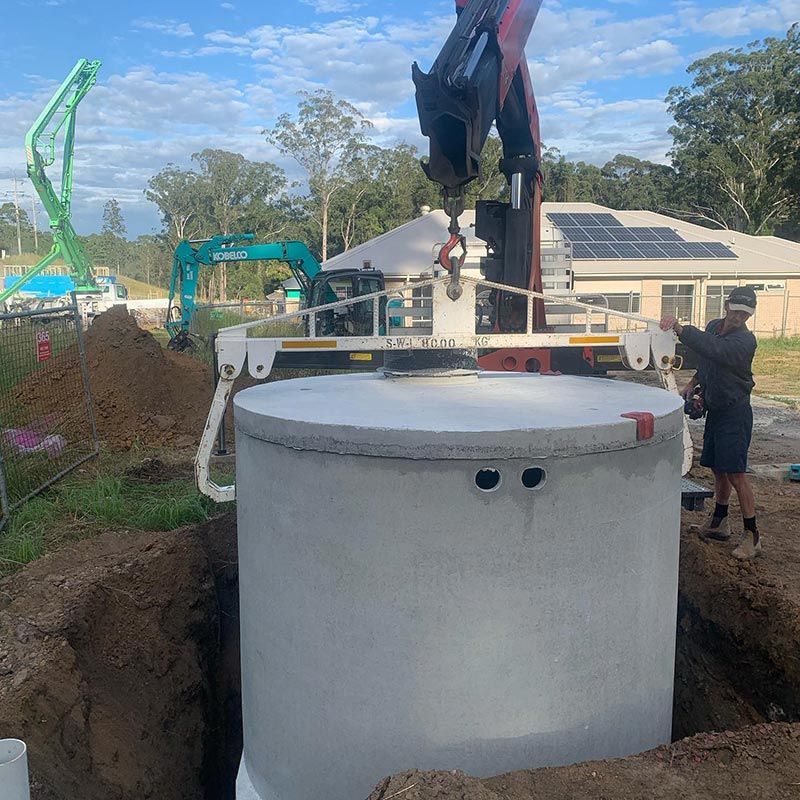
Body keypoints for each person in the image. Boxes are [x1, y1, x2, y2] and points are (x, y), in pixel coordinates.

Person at [660, 286, 760, 560]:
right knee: (718, 468)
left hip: (735, 413)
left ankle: (753, 535)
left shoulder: (745, 341)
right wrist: (693, 385)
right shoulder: (715, 326)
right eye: (737, 310)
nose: (740, 317)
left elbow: (716, 350)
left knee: (736, 474)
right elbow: (707, 361)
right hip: (717, 410)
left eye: (745, 314)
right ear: (727, 305)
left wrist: (682, 329)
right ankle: (719, 522)